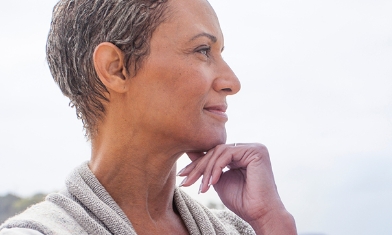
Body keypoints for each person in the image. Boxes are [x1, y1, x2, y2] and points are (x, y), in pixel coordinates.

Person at [0, 0, 297, 234]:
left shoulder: (239, 231)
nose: (232, 81)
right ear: (116, 68)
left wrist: (271, 221)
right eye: (203, 50)